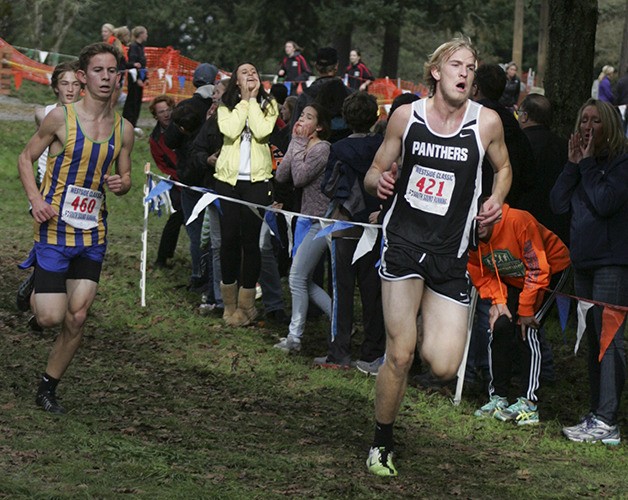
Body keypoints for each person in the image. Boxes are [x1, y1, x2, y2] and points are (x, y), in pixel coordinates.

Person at [363, 36, 512, 477]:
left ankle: (428, 313)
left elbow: (503, 169)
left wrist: (496, 200)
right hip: (405, 244)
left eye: (471, 67)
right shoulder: (407, 117)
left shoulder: (486, 123)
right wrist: (380, 184)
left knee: (444, 365)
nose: (464, 73)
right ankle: (381, 443)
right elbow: (374, 170)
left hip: (450, 255)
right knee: (401, 354)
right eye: (456, 65)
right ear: (436, 71)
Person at [16, 42, 134, 414]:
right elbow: (25, 157)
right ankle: (36, 283)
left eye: (111, 71)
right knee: (50, 317)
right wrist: (36, 199)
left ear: (118, 77)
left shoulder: (124, 128)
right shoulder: (60, 119)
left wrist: (122, 183)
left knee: (77, 316)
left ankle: (48, 387)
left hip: (92, 233)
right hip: (54, 229)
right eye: (98, 70)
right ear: (83, 77)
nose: (105, 77)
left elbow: (125, 175)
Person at [551, 98, 628, 445]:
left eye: (596, 121)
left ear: (609, 126)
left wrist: (586, 168)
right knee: (595, 340)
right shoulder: (582, 164)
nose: (587, 127)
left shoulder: (621, 164)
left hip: (612, 264)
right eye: (584, 120)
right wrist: (571, 165)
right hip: (583, 263)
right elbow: (557, 203)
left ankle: (608, 420)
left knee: (609, 341)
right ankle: (596, 412)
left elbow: (605, 202)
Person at [469, 203, 570, 425]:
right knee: (501, 326)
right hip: (513, 277)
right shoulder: (470, 236)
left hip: (549, 271)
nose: (476, 225)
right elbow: (479, 270)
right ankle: (499, 396)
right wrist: (498, 300)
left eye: (480, 219)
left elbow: (538, 268)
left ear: (491, 214)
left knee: (528, 329)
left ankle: (529, 403)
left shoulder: (518, 221)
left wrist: (525, 309)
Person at [315, 91, 385, 372]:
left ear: (345, 118)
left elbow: (329, 185)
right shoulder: (383, 146)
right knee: (373, 293)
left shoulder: (338, 148)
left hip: (345, 227)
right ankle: (372, 352)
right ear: (376, 117)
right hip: (374, 224)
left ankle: (339, 352)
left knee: (341, 292)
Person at [214, 62, 279, 327]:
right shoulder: (225, 106)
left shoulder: (269, 105)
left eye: (254, 71)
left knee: (250, 242)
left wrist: (253, 99)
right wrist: (243, 101)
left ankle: (247, 306)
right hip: (228, 182)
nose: (250, 74)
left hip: (257, 182)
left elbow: (263, 131)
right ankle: (228, 304)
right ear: (235, 81)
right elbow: (229, 131)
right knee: (228, 240)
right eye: (244, 72)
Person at [274, 103, 332, 352]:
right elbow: (281, 175)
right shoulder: (299, 144)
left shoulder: (322, 149)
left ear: (318, 126)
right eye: (301, 116)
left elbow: (300, 178)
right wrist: (294, 145)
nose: (301, 120)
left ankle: (294, 337)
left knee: (297, 277)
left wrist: (298, 146)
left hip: (321, 222)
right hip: (305, 219)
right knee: (302, 280)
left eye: (309, 117)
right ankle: (340, 321)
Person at [517, 93, 570, 245]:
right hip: (556, 224)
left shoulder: (518, 144)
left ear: (525, 116)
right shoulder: (564, 146)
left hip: (523, 220)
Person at [148, 94, 183, 269]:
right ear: (156, 116)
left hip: (196, 177)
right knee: (178, 217)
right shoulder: (155, 139)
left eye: (168, 110)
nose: (166, 114)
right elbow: (161, 164)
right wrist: (177, 176)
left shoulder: (184, 125)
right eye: (161, 112)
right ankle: (163, 257)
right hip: (178, 182)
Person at [34, 61, 82, 186]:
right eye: (64, 84)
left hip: (75, 183)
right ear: (56, 87)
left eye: (75, 84)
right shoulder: (43, 114)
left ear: (82, 87)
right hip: (46, 180)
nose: (70, 89)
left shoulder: (89, 118)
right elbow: (31, 152)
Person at [122, 26, 149, 135]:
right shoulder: (133, 47)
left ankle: (134, 124)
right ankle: (127, 123)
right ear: (141, 34)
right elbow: (132, 64)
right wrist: (137, 78)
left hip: (140, 78)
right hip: (134, 78)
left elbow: (143, 65)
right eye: (146, 33)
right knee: (132, 101)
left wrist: (145, 78)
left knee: (138, 102)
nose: (147, 36)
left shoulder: (141, 47)